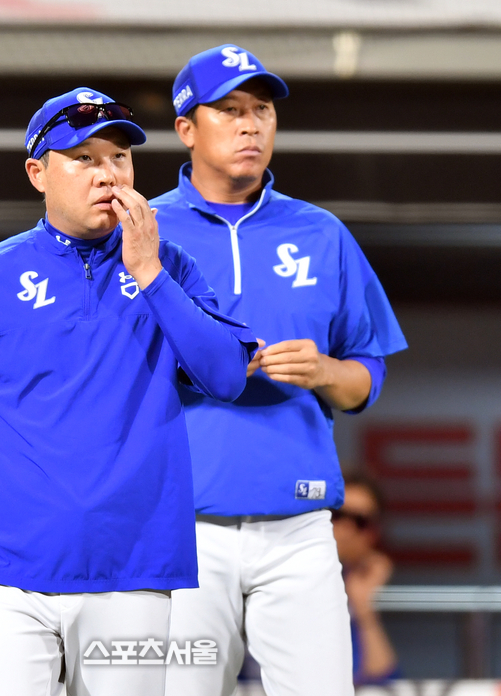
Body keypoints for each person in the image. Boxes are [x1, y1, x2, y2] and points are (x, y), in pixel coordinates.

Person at [0, 86, 256, 696]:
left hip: (133, 571)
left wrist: (149, 272)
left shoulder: (171, 267)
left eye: (120, 158)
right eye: (83, 159)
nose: (108, 174)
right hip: (7, 578)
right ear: (38, 173)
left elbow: (227, 378)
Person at [151, 45, 408, 696]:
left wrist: (326, 370)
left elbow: (366, 378)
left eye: (262, 110)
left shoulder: (321, 232)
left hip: (299, 524)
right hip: (180, 527)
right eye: (230, 110)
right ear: (186, 129)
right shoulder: (144, 231)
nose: (251, 125)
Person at [333, 473, 400, 686]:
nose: (347, 529)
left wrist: (364, 609)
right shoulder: (275, 575)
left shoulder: (363, 587)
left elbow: (384, 683)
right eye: (337, 515)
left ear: (374, 533)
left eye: (360, 522)